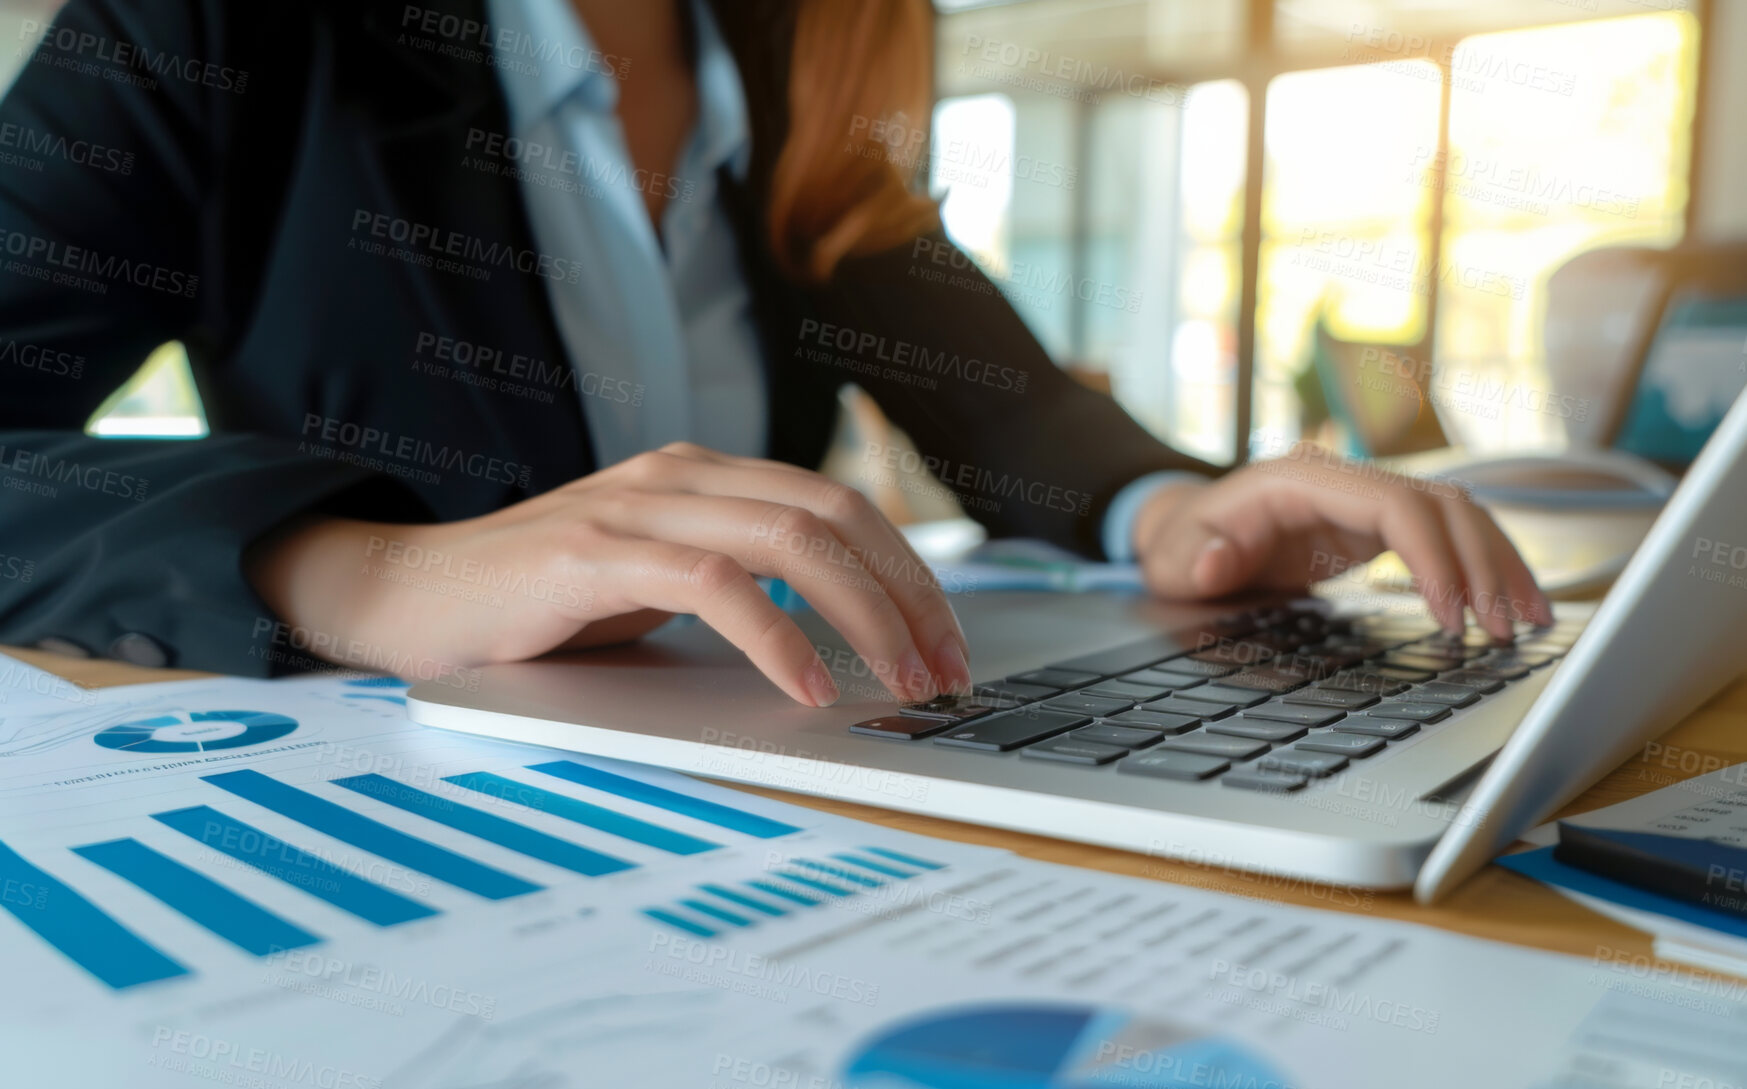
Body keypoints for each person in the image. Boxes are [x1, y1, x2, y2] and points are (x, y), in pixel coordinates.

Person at [0, 0, 1549, 707]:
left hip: (784, 780)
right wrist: (370, 579)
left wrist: (1169, 509)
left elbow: (988, 385)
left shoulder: (804, 48)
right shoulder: (208, 27)